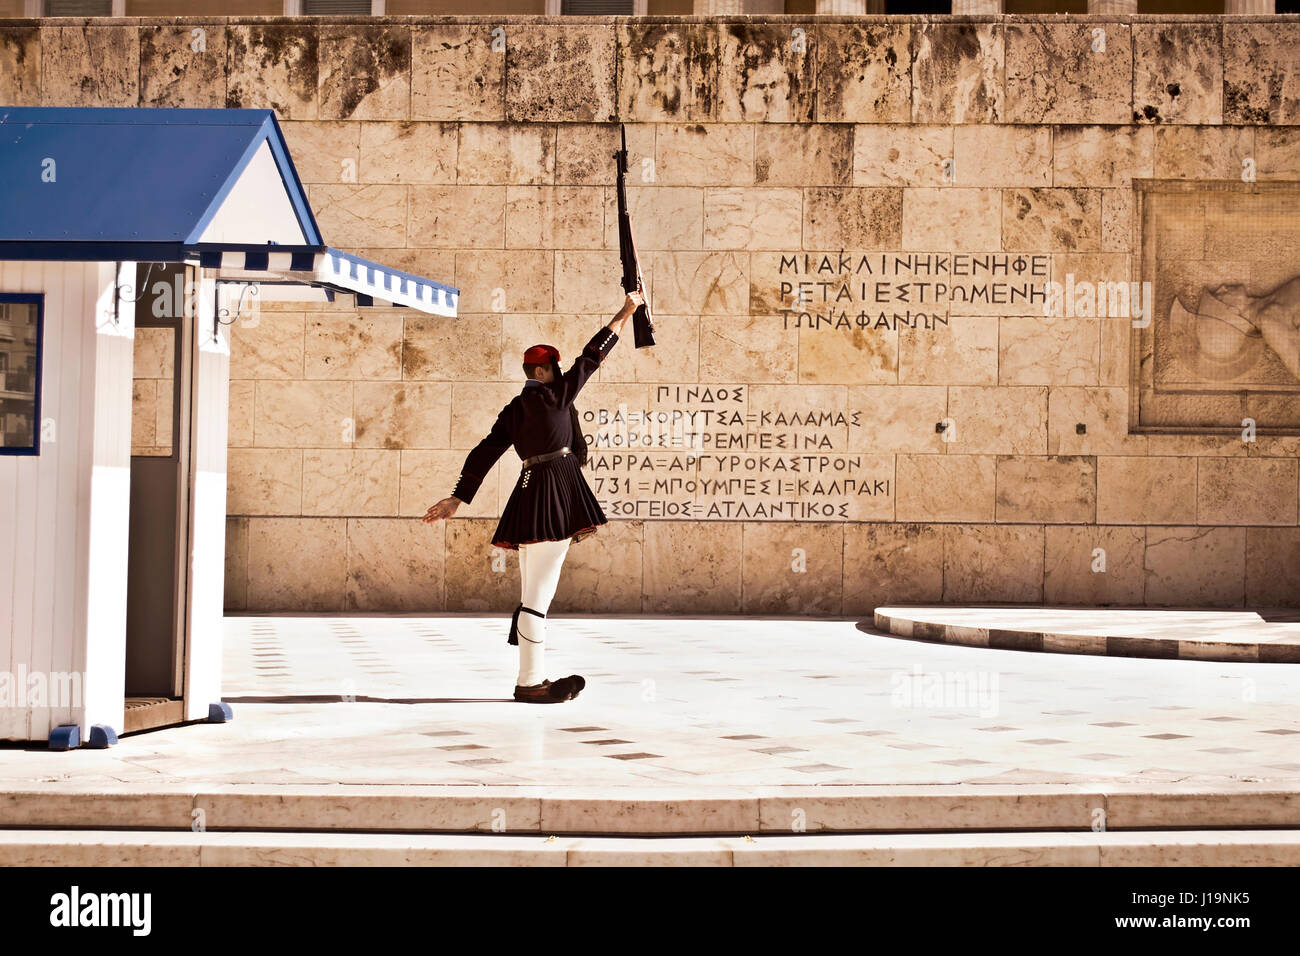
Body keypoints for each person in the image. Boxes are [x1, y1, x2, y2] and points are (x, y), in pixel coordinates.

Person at [423, 289, 646, 704]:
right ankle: (530, 683)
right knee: (537, 597)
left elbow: (485, 450)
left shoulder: (514, 409)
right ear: (541, 371)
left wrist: (458, 498)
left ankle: (532, 677)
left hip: (529, 495)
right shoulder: (556, 396)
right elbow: (593, 355)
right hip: (553, 496)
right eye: (554, 369)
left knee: (534, 592)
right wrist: (627, 310)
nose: (563, 375)